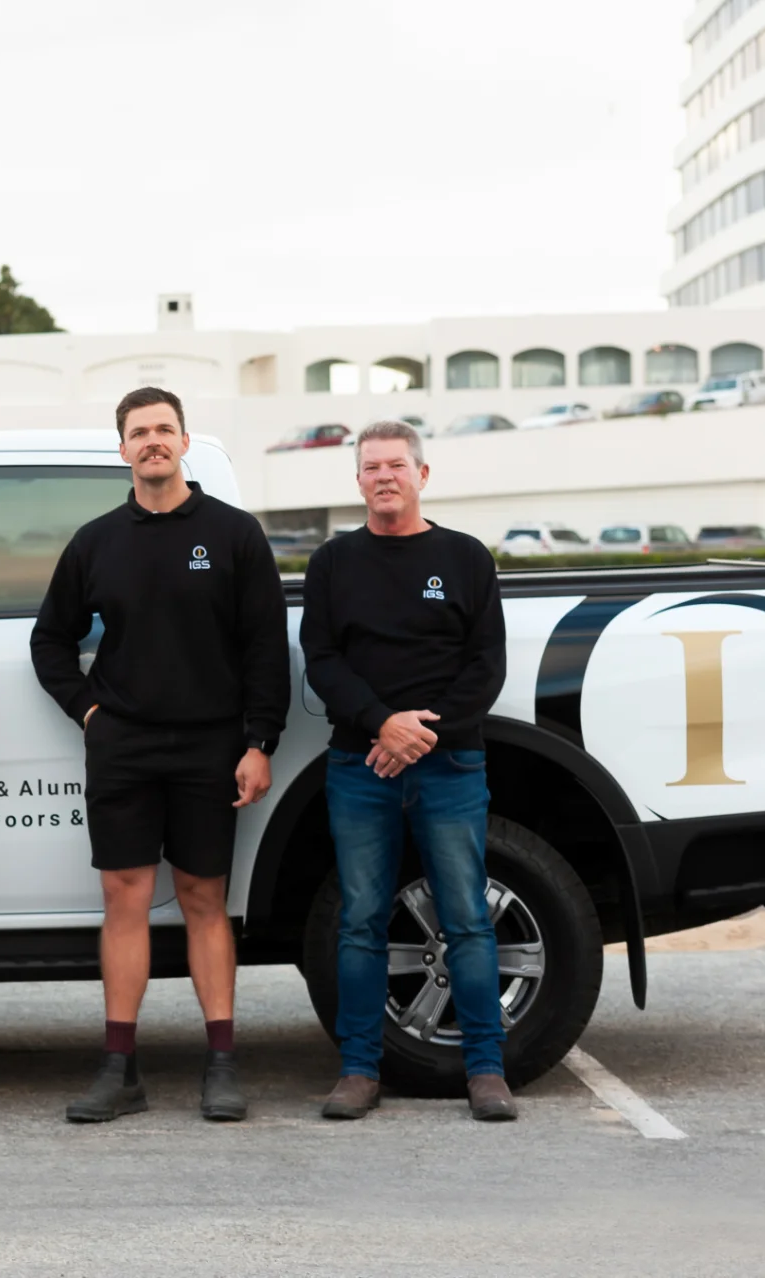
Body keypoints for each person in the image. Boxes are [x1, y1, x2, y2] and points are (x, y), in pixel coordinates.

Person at [31, 387, 289, 1124]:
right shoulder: (97, 542)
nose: (152, 441)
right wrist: (88, 713)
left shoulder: (234, 534)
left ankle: (222, 1064)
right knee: (125, 900)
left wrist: (259, 742)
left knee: (205, 899)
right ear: (123, 449)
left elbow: (266, 646)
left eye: (164, 429)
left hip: (212, 745)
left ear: (184, 441)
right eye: (139, 432)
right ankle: (120, 1069)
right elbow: (50, 640)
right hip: (125, 746)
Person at [300, 419, 515, 1122]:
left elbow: (485, 666)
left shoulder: (465, 558)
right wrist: (380, 723)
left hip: (450, 764)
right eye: (371, 467)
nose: (384, 477)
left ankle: (486, 1070)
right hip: (360, 764)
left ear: (422, 475)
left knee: (467, 919)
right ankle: (359, 1071)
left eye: (396, 465)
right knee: (360, 920)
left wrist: (418, 735)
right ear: (358, 480)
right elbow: (322, 660)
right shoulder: (333, 563)